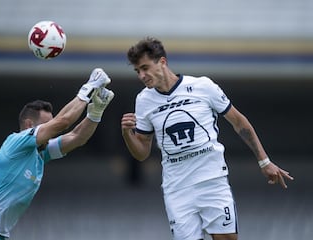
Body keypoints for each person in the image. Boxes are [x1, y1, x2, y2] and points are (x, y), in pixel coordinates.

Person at [121, 37, 294, 240]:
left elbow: (240, 122)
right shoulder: (144, 100)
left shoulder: (203, 86)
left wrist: (264, 162)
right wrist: (127, 134)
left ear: (162, 62)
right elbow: (141, 153)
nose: (142, 75)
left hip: (212, 181)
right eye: (137, 71)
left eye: (144, 67)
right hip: (177, 189)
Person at [0, 68, 114, 240]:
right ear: (30, 125)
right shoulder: (16, 142)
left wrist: (95, 113)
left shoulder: (39, 154)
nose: (51, 129)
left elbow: (77, 137)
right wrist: (90, 86)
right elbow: (63, 122)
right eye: (47, 125)